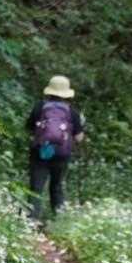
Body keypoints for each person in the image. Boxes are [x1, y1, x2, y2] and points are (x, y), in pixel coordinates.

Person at [26, 75, 84, 223]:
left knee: (36, 187)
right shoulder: (72, 112)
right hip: (61, 154)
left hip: (40, 152)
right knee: (56, 186)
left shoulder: (40, 107)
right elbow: (79, 138)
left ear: (49, 91)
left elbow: (30, 128)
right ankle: (60, 221)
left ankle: (31, 222)